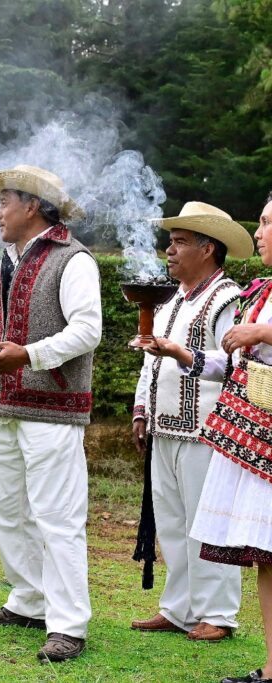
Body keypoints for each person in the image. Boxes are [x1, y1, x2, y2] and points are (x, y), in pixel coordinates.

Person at [0, 165, 101, 663]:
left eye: (4, 202)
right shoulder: (2, 265)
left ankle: (69, 624)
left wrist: (27, 355)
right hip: (6, 405)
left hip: (53, 409)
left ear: (31, 205)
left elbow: (88, 330)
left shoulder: (74, 260)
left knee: (58, 517)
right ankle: (29, 601)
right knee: (7, 508)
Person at [129, 203, 251, 643]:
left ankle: (218, 614)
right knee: (172, 521)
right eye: (171, 241)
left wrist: (181, 354)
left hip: (209, 429)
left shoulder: (228, 298)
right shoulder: (171, 299)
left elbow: (236, 360)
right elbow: (150, 362)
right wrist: (141, 409)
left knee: (209, 522)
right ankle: (178, 608)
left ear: (208, 249)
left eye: (180, 242)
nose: (169, 250)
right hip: (166, 427)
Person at [174, 193, 272, 683]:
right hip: (253, 436)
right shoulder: (260, 291)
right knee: (267, 559)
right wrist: (181, 353)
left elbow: (258, 340)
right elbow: (232, 362)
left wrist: (263, 333)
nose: (259, 233)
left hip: (266, 440)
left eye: (268, 224)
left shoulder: (247, 302)